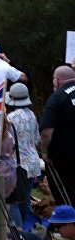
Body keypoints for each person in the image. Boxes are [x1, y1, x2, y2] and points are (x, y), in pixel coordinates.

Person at [41, 66, 75, 206]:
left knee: (66, 195)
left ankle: (70, 224)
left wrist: (44, 152)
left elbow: (47, 131)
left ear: (57, 80)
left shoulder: (57, 97)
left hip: (64, 157)